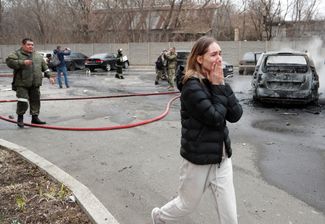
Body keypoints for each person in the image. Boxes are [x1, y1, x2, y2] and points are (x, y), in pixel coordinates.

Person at [151, 36, 243, 224]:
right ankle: (159, 217)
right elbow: (216, 118)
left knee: (230, 217)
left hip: (222, 159)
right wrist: (218, 86)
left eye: (220, 53)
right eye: (214, 54)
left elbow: (235, 115)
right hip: (198, 160)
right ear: (200, 59)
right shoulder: (191, 87)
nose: (219, 58)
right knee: (186, 205)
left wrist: (221, 85)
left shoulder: (216, 80)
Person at [6, 38, 55, 128]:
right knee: (23, 101)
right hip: (22, 83)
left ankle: (35, 118)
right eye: (28, 44)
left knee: (35, 101)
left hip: (35, 83)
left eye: (32, 45)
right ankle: (20, 119)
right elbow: (9, 62)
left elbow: (45, 67)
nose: (31, 46)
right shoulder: (17, 54)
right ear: (23, 45)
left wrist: (50, 76)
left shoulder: (37, 55)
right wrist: (22, 62)